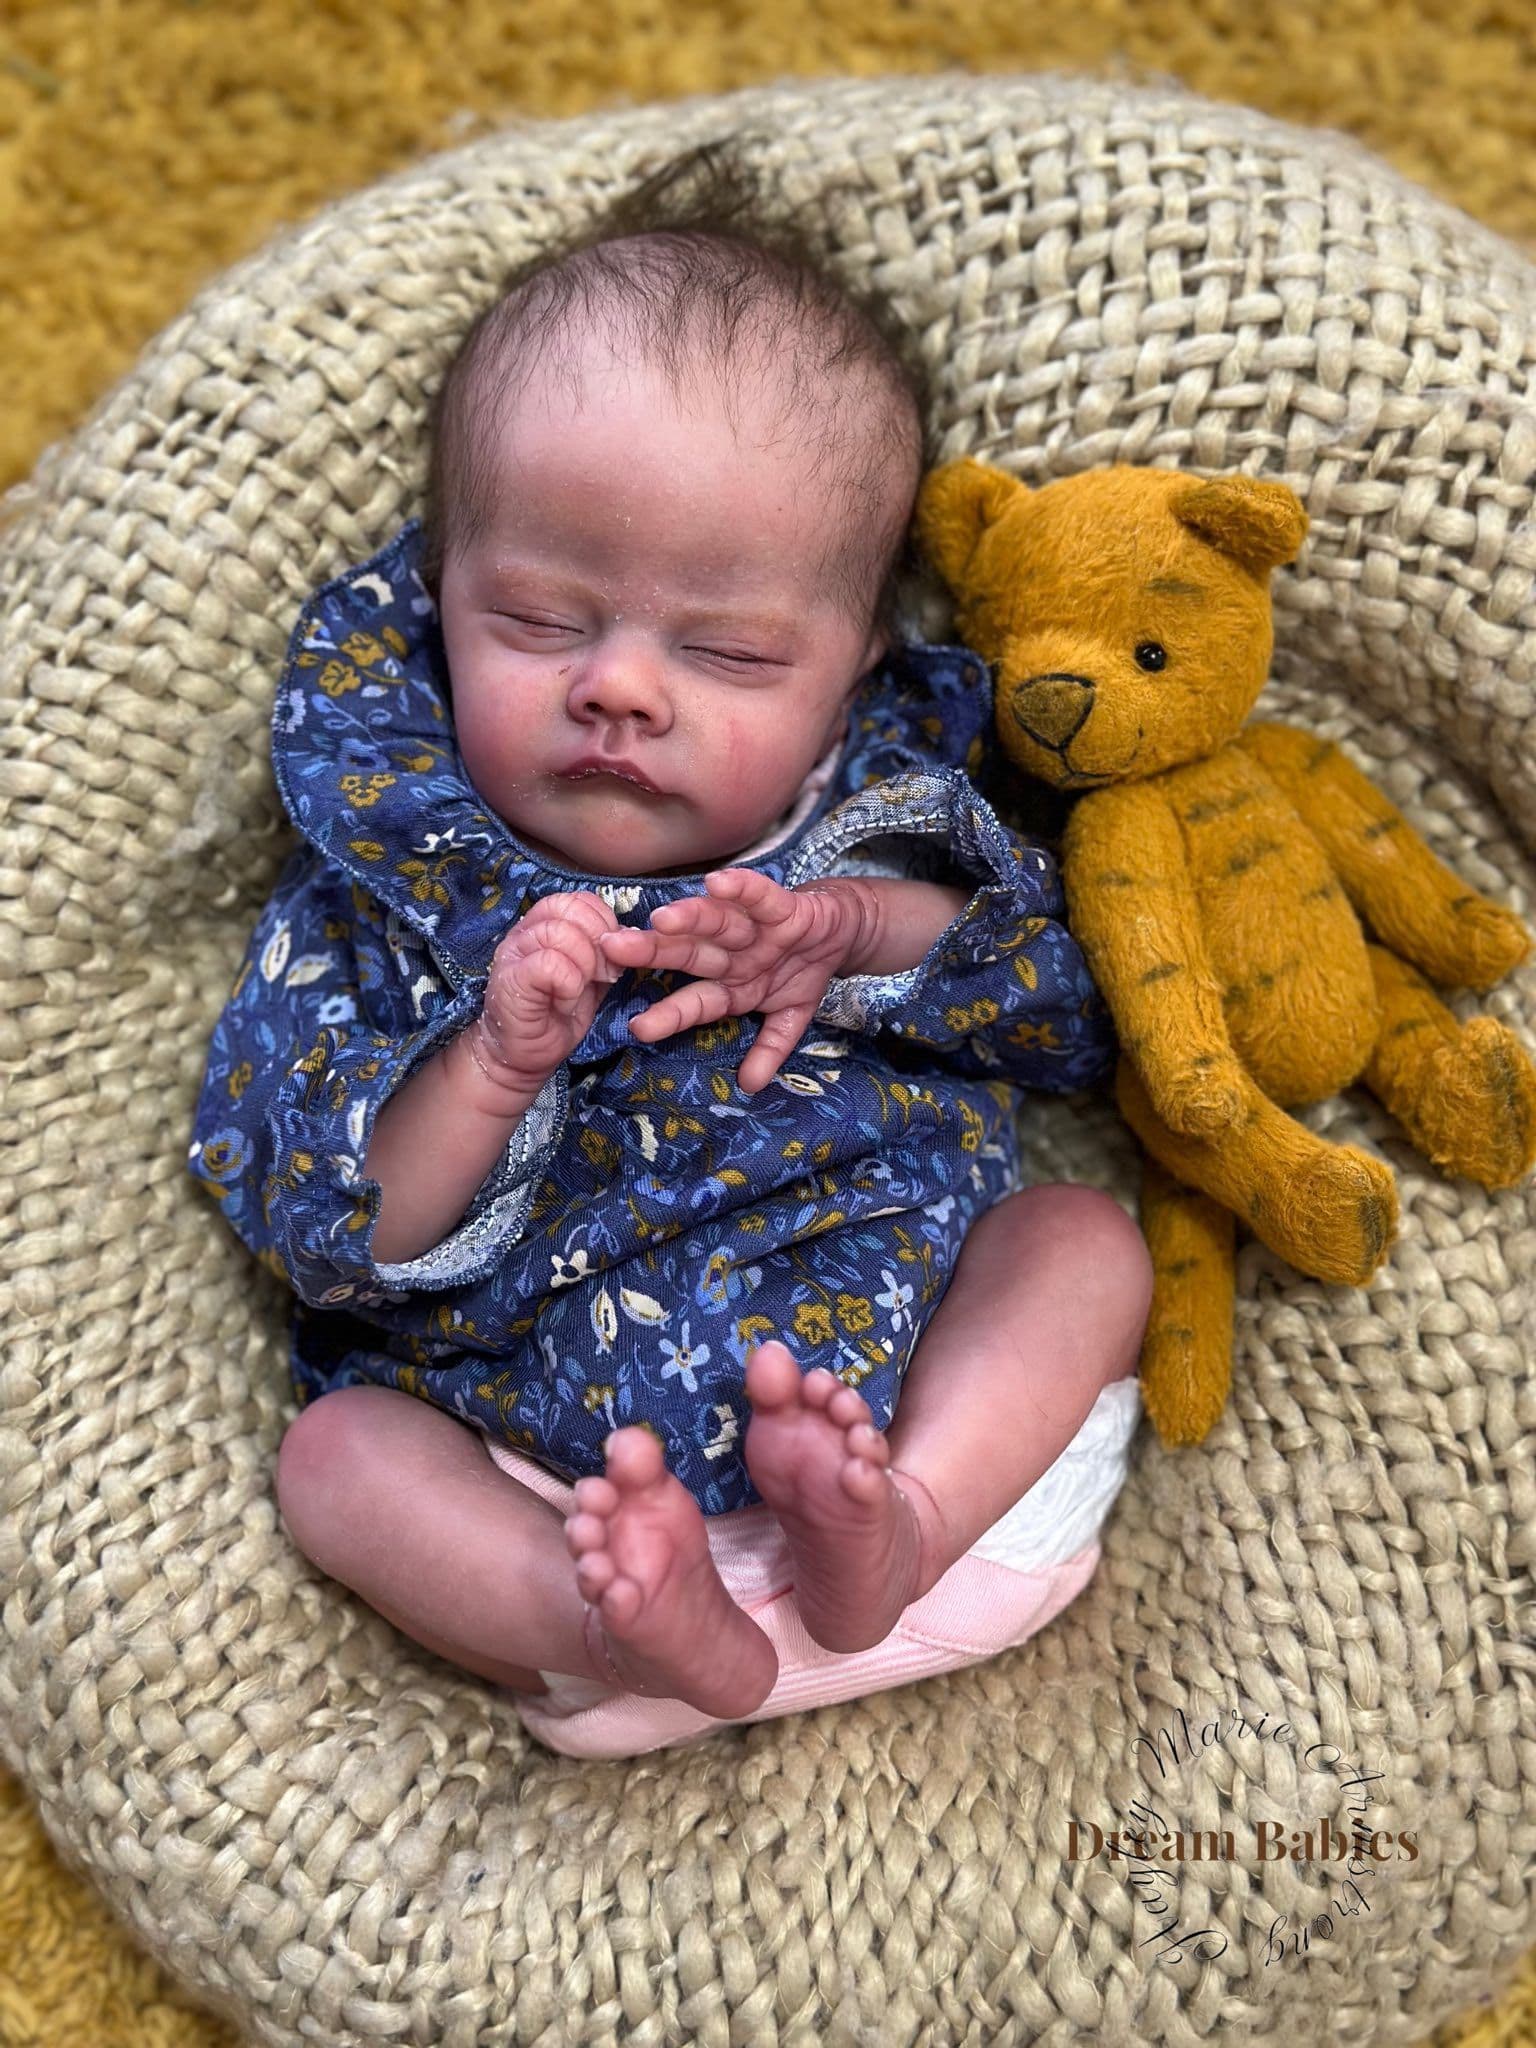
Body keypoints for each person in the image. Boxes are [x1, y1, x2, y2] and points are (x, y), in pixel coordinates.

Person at [189, 144, 1153, 1731]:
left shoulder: (888, 813)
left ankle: (892, 1530)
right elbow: (321, 1229)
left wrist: (858, 927)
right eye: (540, 621)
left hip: (943, 1438)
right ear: (438, 604)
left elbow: (1080, 1017)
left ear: (850, 672)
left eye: (730, 652)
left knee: (1082, 1245)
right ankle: (621, 1622)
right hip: (551, 1489)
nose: (622, 688)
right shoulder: (385, 876)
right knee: (338, 1460)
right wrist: (488, 1068)